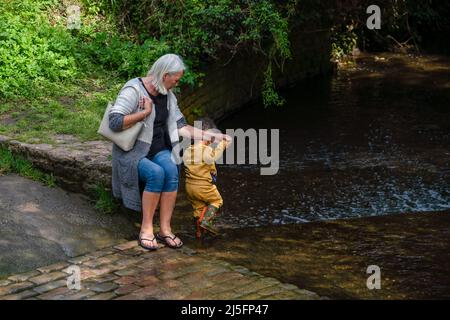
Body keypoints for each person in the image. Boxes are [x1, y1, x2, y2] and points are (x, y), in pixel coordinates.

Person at [108, 53, 230, 250]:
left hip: (158, 148)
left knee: (172, 169)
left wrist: (213, 136)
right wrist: (144, 113)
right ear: (164, 75)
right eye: (175, 80)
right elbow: (113, 123)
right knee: (156, 173)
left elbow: (181, 126)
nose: (176, 84)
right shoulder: (133, 90)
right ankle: (146, 229)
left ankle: (165, 229)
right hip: (133, 152)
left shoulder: (168, 96)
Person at [183, 117, 232, 238]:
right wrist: (224, 143)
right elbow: (214, 157)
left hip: (189, 186)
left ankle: (199, 233)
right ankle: (207, 222)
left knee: (198, 208)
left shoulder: (187, 150)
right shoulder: (206, 150)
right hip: (203, 186)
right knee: (216, 201)